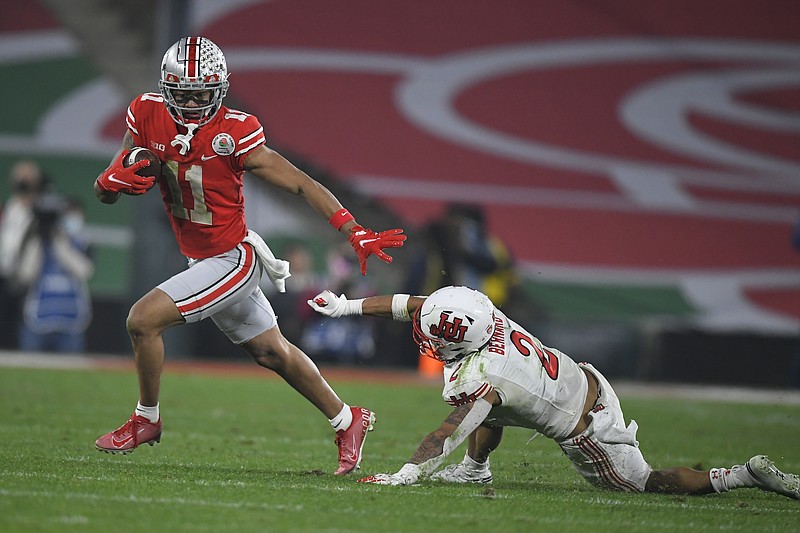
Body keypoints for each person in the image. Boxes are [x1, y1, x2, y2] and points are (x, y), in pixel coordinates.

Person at [92, 36, 406, 475]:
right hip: (200, 261)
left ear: (219, 90)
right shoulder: (145, 113)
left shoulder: (234, 131)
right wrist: (110, 183)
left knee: (143, 321)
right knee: (271, 352)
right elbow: (106, 184)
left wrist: (352, 228)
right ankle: (348, 419)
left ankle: (146, 419)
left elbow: (299, 182)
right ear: (166, 90)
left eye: (203, 93)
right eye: (183, 94)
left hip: (232, 259)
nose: (194, 102)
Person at [307, 286, 800, 498]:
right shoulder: (482, 319)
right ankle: (476, 471)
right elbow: (415, 305)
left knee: (647, 484)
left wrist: (406, 474)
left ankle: (743, 477)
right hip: (577, 376)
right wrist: (347, 306)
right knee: (486, 411)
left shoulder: (487, 376)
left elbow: (448, 431)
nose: (421, 325)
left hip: (589, 427)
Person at [15, 194, 94, 352]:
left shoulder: (78, 241)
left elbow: (85, 271)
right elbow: (26, 274)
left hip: (71, 320)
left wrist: (60, 243)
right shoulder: (36, 241)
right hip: (38, 321)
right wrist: (38, 240)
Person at [0, 159, 47, 348]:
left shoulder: (41, 212)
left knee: (25, 328)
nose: (23, 180)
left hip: (31, 279)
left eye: (28, 176)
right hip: (4, 275)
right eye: (20, 176)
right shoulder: (7, 208)